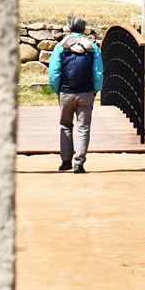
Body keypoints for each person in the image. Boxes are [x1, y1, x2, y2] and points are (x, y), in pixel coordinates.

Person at [48, 16, 104, 173]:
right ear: (84, 29)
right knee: (83, 128)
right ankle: (79, 163)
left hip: (66, 92)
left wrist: (57, 89)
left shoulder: (60, 46)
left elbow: (54, 72)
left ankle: (66, 161)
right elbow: (98, 73)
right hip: (86, 92)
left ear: (69, 29)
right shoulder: (92, 47)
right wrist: (95, 90)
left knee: (65, 125)